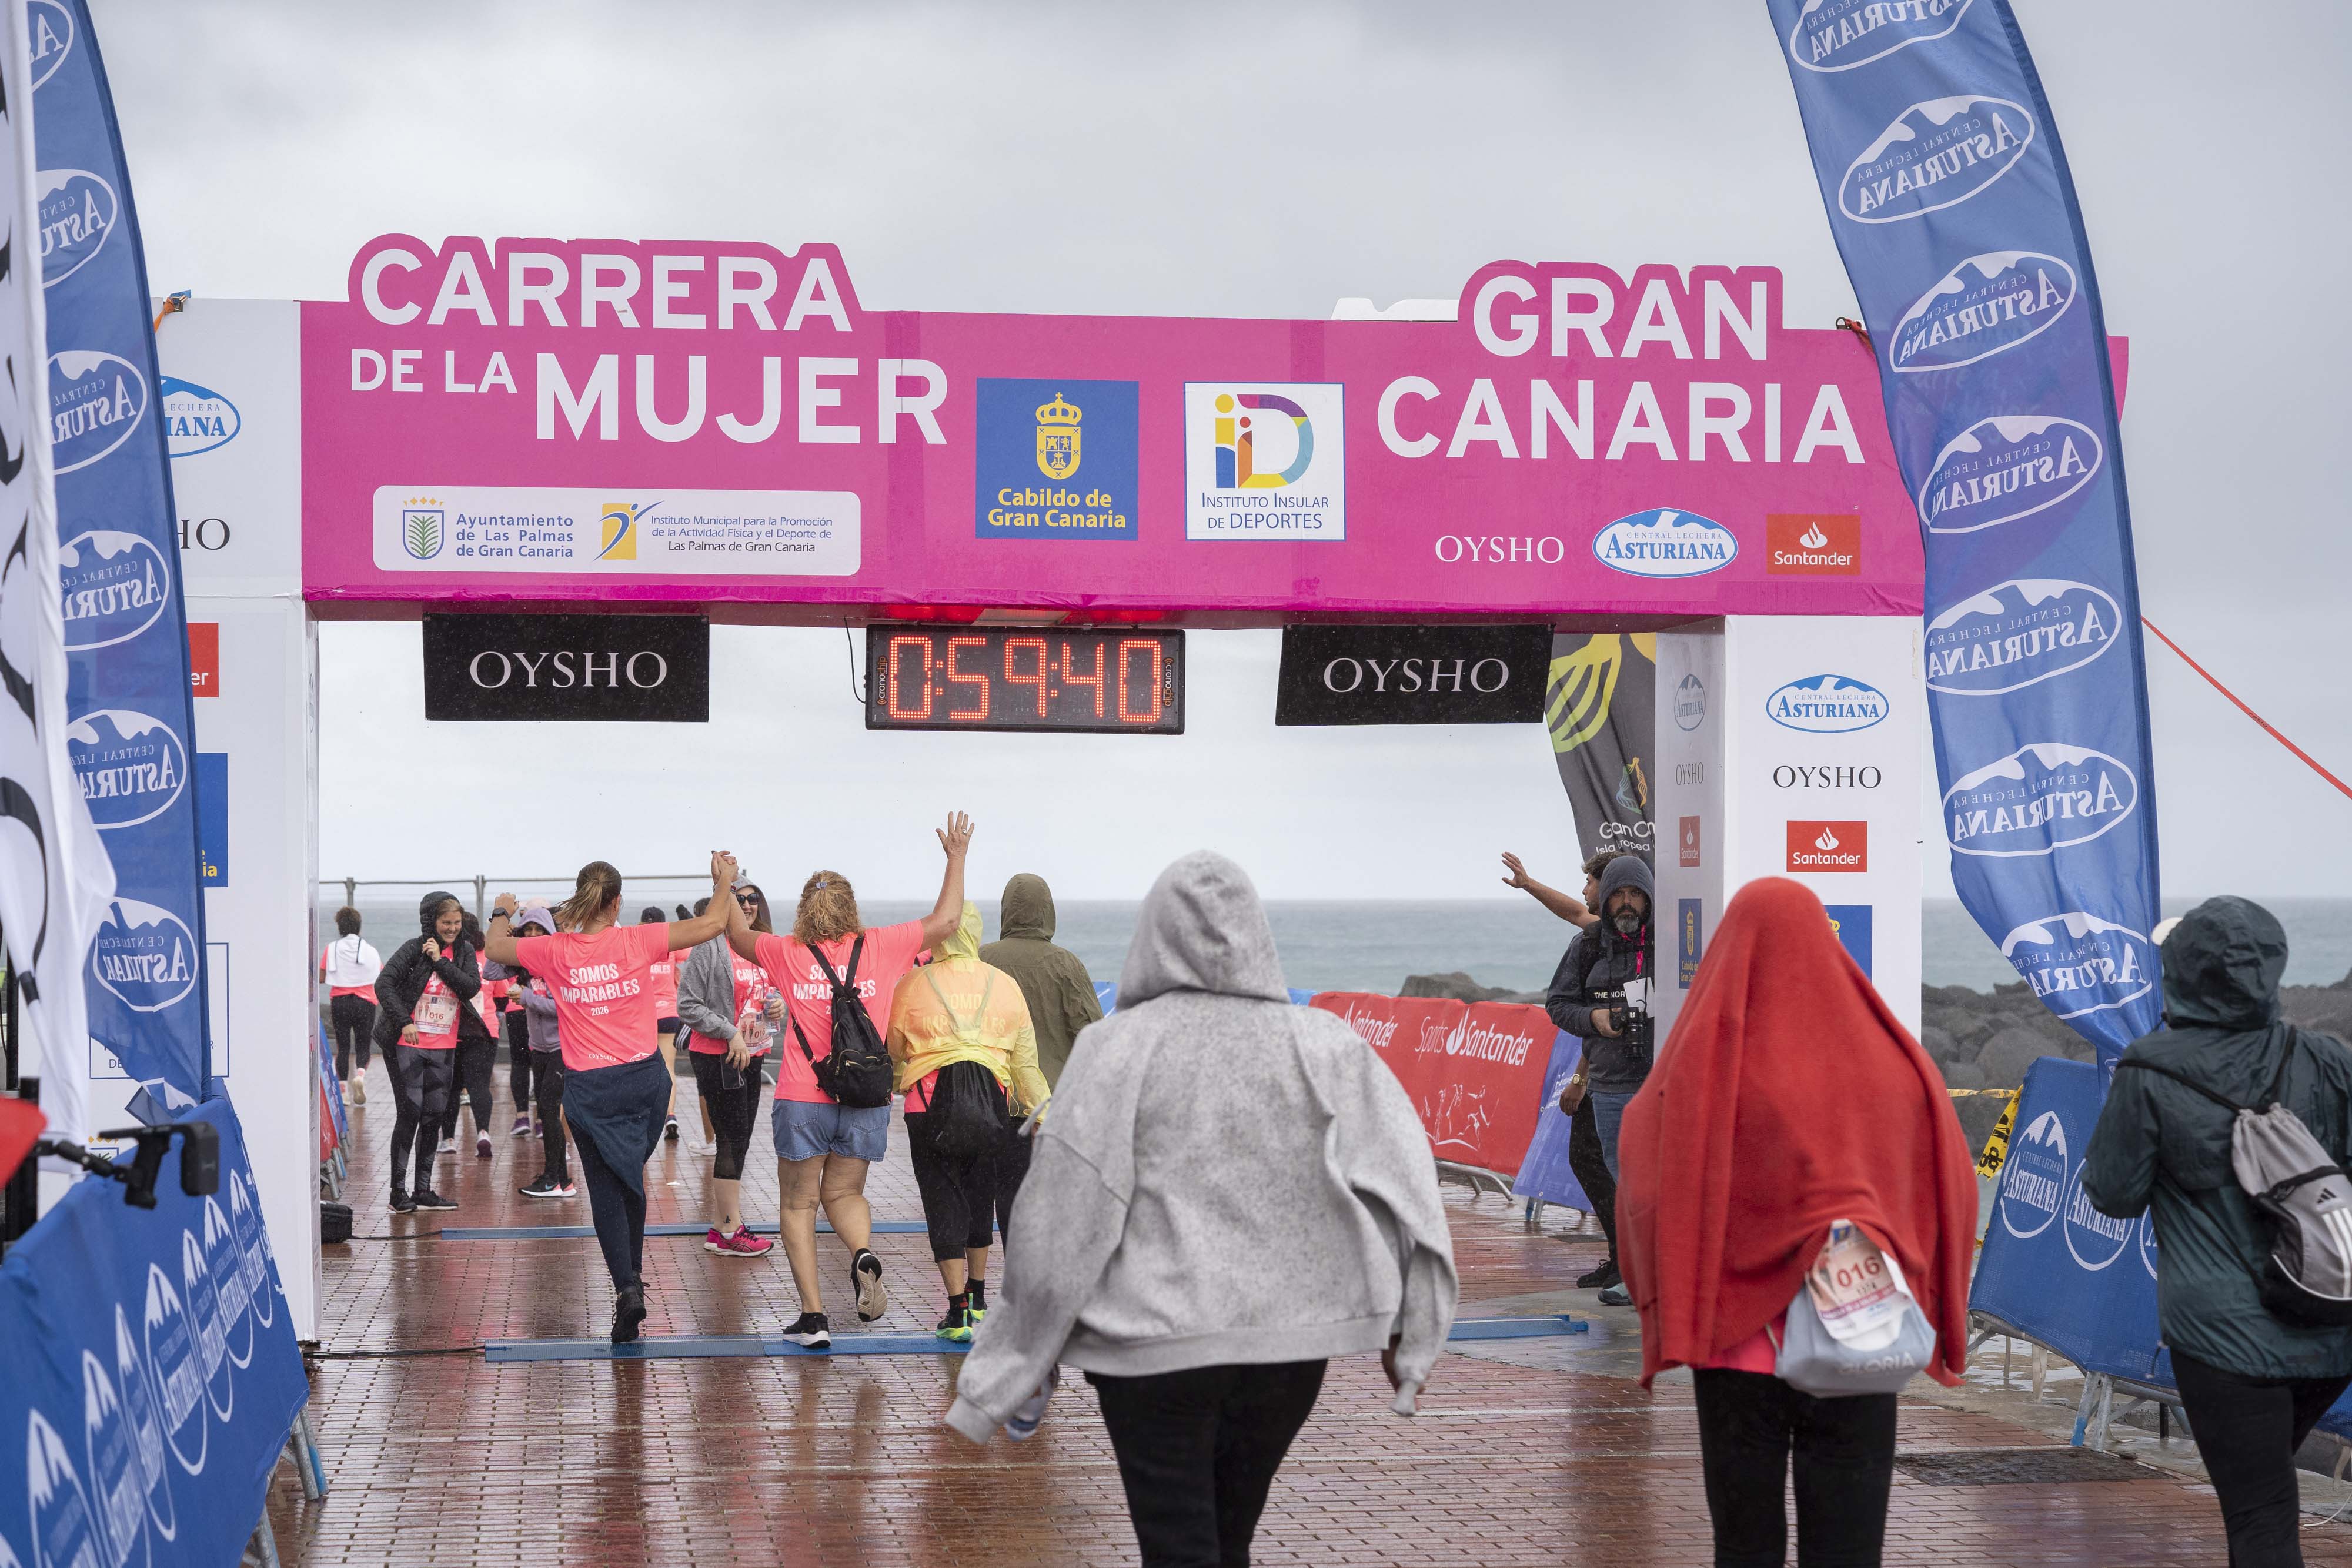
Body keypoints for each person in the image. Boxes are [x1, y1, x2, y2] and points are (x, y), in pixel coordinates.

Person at [947, 851, 1459, 1568]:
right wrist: (1416, 1322)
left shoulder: (1116, 1049)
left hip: (1150, 1348)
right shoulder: (1325, 1044)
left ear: (1150, 937)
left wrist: (1020, 1353)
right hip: (1288, 1347)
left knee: (1180, 1546)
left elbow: (1062, 1210)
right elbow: (1406, 1178)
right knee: (1230, 1539)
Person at [1617, 878, 1976, 1568]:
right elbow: (1946, 1181)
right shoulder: (1891, 1061)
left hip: (1734, 1343)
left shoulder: (1706, 1059)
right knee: (1849, 1543)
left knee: (1744, 1542)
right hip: (1859, 1331)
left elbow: (1643, 1154)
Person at [2085, 897, 2352, 1566]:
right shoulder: (2325, 1058)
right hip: (2329, 1321)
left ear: (2177, 971)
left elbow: (2113, 1195)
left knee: (2260, 1516)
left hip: (2223, 1340)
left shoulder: (2149, 1069)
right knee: (2265, 1496)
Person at [728, 811, 975, 1349]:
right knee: (845, 1191)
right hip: (866, 1096)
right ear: (851, 907)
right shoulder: (885, 944)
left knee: (798, 1203)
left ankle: (814, 1319)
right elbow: (948, 921)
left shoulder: (786, 951)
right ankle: (861, 1252)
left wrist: (725, 884)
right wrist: (956, 857)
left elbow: (739, 933)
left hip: (803, 1095)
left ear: (804, 909)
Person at [484, 854, 739, 1342]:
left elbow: (496, 947)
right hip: (645, 1083)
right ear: (618, 901)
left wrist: (501, 908)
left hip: (591, 1087)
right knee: (631, 1179)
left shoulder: (555, 950)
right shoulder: (638, 939)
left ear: (582, 898)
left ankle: (627, 1287)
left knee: (606, 1189)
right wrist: (724, 881)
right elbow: (711, 923)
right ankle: (633, 1282)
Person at [887, 900, 1050, 1341]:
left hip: (928, 1106)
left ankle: (956, 1310)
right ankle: (979, 1299)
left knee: (942, 1199)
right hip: (991, 1106)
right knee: (981, 1197)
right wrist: (1045, 1113)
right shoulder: (1005, 985)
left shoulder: (913, 982)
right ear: (976, 933)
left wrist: (904, 1078)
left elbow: (895, 1045)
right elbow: (1026, 1063)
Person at [1544, 851, 1654, 1307]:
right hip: (1610, 1087)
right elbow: (1557, 1004)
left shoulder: (1674, 941)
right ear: (1606, 899)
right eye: (1619, 896)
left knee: (1665, 1185)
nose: (1626, 904)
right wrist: (1595, 1018)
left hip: (1665, 1084)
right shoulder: (1587, 945)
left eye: (1635, 895)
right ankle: (1636, 1276)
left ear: (1649, 899)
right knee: (1624, 1184)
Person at [1517, 850, 1624, 1292]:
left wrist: (1581, 1077)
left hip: (1627, 1075)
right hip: (1601, 1067)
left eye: (1591, 881)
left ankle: (1629, 1261)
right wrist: (1529, 884)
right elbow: (1576, 911)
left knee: (1605, 1162)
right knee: (1589, 1157)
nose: (1585, 889)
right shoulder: (1598, 936)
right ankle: (1622, 1257)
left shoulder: (1638, 941)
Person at [676, 877, 780, 1258]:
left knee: (742, 1139)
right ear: (727, 903)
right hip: (720, 1054)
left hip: (754, 1053)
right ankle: (729, 1229)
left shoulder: (759, 945)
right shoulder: (711, 945)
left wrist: (776, 1007)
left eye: (754, 898)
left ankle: (723, 1225)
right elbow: (687, 1005)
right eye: (739, 899)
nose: (748, 905)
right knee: (731, 1140)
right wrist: (730, 1031)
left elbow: (768, 993)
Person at [370, 891, 479, 1213]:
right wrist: (404, 1021)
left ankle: (423, 1189)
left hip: (443, 1046)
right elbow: (383, 984)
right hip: (408, 1045)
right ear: (432, 921)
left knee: (434, 1114)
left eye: (457, 923)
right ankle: (397, 1192)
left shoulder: (464, 951)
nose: (452, 928)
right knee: (411, 1112)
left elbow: (470, 987)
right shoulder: (412, 949)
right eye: (446, 922)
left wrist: (440, 961)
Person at [978, 872, 1102, 1091]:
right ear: (1047, 912)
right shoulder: (1066, 964)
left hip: (990, 1095)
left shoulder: (980, 959)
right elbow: (1093, 1033)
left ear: (1006, 910)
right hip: (1050, 1097)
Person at [508, 907, 576, 1200]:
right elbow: (491, 970)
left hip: (561, 1048)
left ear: (551, 933)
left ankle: (554, 1179)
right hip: (538, 1048)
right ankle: (561, 1179)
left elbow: (563, 1008)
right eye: (528, 930)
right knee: (545, 1110)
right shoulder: (525, 965)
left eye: (539, 930)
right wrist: (507, 935)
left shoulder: (559, 964)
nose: (533, 935)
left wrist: (526, 998)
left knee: (549, 1110)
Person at [440, 911, 503, 1160]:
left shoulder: (451, 958)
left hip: (453, 1030)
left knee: (451, 1087)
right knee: (480, 1085)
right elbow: (500, 995)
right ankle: (484, 1133)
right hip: (486, 1029)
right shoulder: (488, 958)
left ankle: (448, 1139)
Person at [319, 907, 382, 1107]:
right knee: (363, 1044)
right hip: (366, 1002)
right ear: (359, 926)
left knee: (343, 1046)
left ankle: (344, 1092)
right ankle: (361, 1076)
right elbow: (380, 975)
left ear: (340, 926)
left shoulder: (332, 948)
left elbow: (321, 977)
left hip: (340, 1002)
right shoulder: (370, 950)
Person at [643, 905, 684, 1142]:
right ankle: (670, 1115)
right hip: (669, 1013)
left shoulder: (637, 948)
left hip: (643, 1017)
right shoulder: (670, 947)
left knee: (644, 1070)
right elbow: (692, 950)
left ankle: (648, 1115)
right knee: (668, 1067)